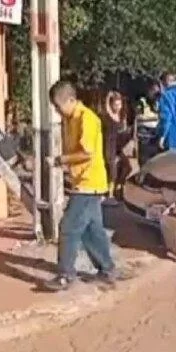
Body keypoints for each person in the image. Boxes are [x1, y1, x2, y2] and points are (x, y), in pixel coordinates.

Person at [43, 81, 116, 292]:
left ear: (72, 100)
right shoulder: (70, 119)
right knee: (91, 230)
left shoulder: (87, 119)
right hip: (83, 182)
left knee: (68, 228)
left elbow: (86, 152)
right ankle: (107, 269)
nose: (57, 111)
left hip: (88, 182)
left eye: (58, 106)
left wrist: (59, 161)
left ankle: (65, 274)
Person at [103, 90, 133, 197]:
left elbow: (124, 131)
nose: (118, 107)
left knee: (127, 167)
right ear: (111, 105)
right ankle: (110, 194)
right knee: (112, 172)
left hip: (118, 147)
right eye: (115, 104)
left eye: (119, 104)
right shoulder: (108, 116)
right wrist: (108, 96)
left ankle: (118, 187)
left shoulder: (121, 117)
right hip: (109, 146)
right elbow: (107, 107)